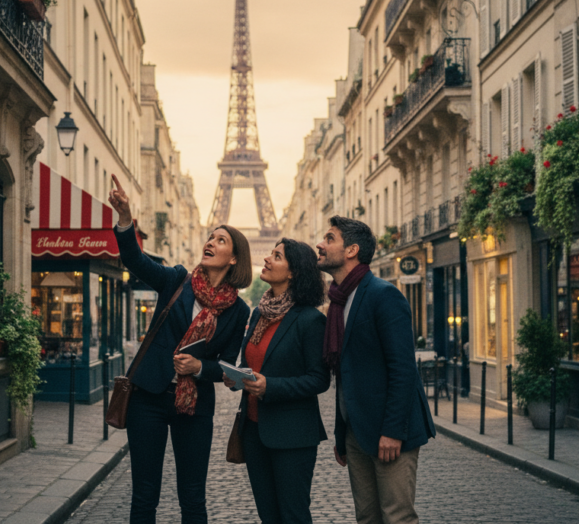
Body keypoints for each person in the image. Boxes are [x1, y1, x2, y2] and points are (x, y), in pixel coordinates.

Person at [108, 175, 252, 524]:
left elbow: (227, 365)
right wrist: (126, 220)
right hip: (150, 397)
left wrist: (199, 368)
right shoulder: (176, 279)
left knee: (192, 496)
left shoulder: (239, 311)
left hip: (195, 405)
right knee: (144, 494)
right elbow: (136, 262)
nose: (211, 242)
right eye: (211, 236)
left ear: (234, 259)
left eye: (221, 240)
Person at [315, 216, 435, 524]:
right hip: (356, 430)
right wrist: (342, 435)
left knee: (397, 517)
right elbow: (345, 374)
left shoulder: (383, 295)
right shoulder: (338, 302)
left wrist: (393, 431)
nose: (320, 244)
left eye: (329, 238)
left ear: (352, 250)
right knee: (367, 517)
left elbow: (403, 368)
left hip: (390, 430)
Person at [223, 239, 330, 524]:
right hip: (254, 430)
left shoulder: (309, 320)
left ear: (294, 271)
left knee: (293, 515)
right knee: (268, 515)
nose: (268, 259)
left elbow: (319, 380)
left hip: (292, 434)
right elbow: (253, 364)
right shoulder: (259, 313)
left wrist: (271, 386)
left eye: (277, 256)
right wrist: (236, 377)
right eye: (270, 254)